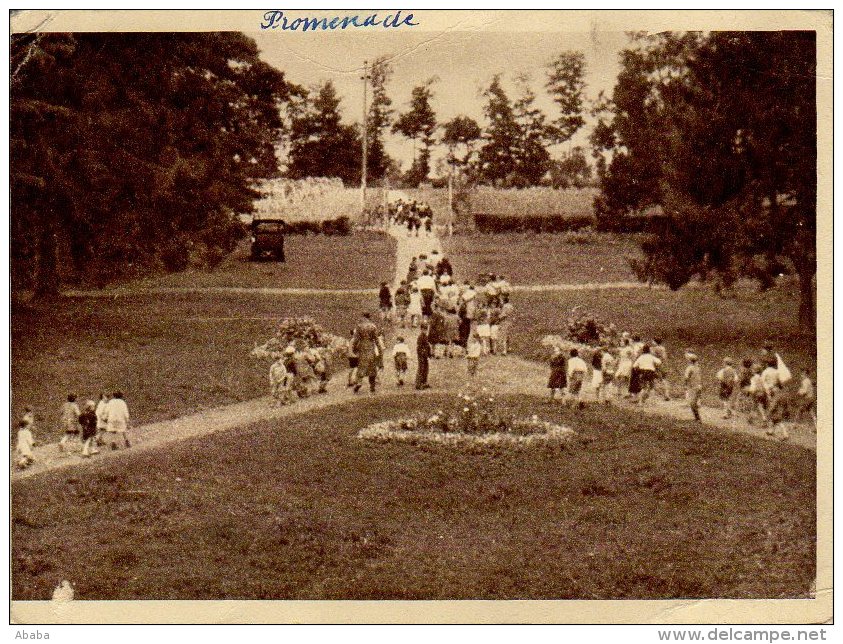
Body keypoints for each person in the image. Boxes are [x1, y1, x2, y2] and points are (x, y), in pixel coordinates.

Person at [351, 312, 384, 394]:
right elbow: (376, 339)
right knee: (372, 367)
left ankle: (359, 382)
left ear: (363, 317)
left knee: (361, 366)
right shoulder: (373, 326)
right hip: (370, 347)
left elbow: (356, 339)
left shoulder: (359, 326)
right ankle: (372, 387)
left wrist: (354, 348)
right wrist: (379, 349)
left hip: (362, 347)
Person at [683, 352, 702, 422]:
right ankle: (697, 418)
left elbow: (686, 377)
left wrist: (685, 384)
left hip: (692, 386)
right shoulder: (698, 368)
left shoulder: (689, 368)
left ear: (690, 361)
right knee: (694, 402)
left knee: (692, 403)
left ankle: (698, 418)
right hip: (698, 386)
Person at [415, 323, 432, 390]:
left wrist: (429, 354)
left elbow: (427, 346)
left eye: (426, 329)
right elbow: (419, 347)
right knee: (421, 369)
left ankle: (424, 382)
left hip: (425, 355)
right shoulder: (420, 337)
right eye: (424, 329)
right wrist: (423, 353)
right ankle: (418, 384)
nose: (425, 330)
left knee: (425, 368)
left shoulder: (425, 336)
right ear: (421, 329)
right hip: (421, 355)